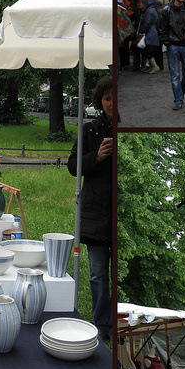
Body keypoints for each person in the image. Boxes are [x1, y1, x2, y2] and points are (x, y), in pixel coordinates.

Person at [70, 75, 114, 343]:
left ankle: (112, 320)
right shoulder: (89, 131)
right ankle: (101, 324)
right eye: (108, 98)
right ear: (101, 101)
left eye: (116, 97)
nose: (112, 103)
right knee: (98, 274)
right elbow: (73, 166)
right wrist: (96, 157)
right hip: (96, 212)